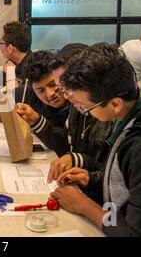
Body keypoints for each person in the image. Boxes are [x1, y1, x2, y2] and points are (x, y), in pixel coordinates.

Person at [50, 43, 141, 236]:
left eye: (85, 107)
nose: (83, 112)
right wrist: (93, 180)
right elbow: (128, 190)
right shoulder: (133, 117)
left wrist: (85, 206)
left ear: (115, 104)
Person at [18, 44, 113, 204]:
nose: (54, 94)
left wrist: (85, 205)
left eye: (57, 86)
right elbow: (71, 144)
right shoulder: (78, 106)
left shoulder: (108, 114)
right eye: (64, 87)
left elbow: (111, 173)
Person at [16, 50, 70, 128]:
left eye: (53, 84)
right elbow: (0, 107)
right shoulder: (28, 91)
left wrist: (37, 122)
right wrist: (15, 115)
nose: (50, 93)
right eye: (41, 90)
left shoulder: (79, 103)